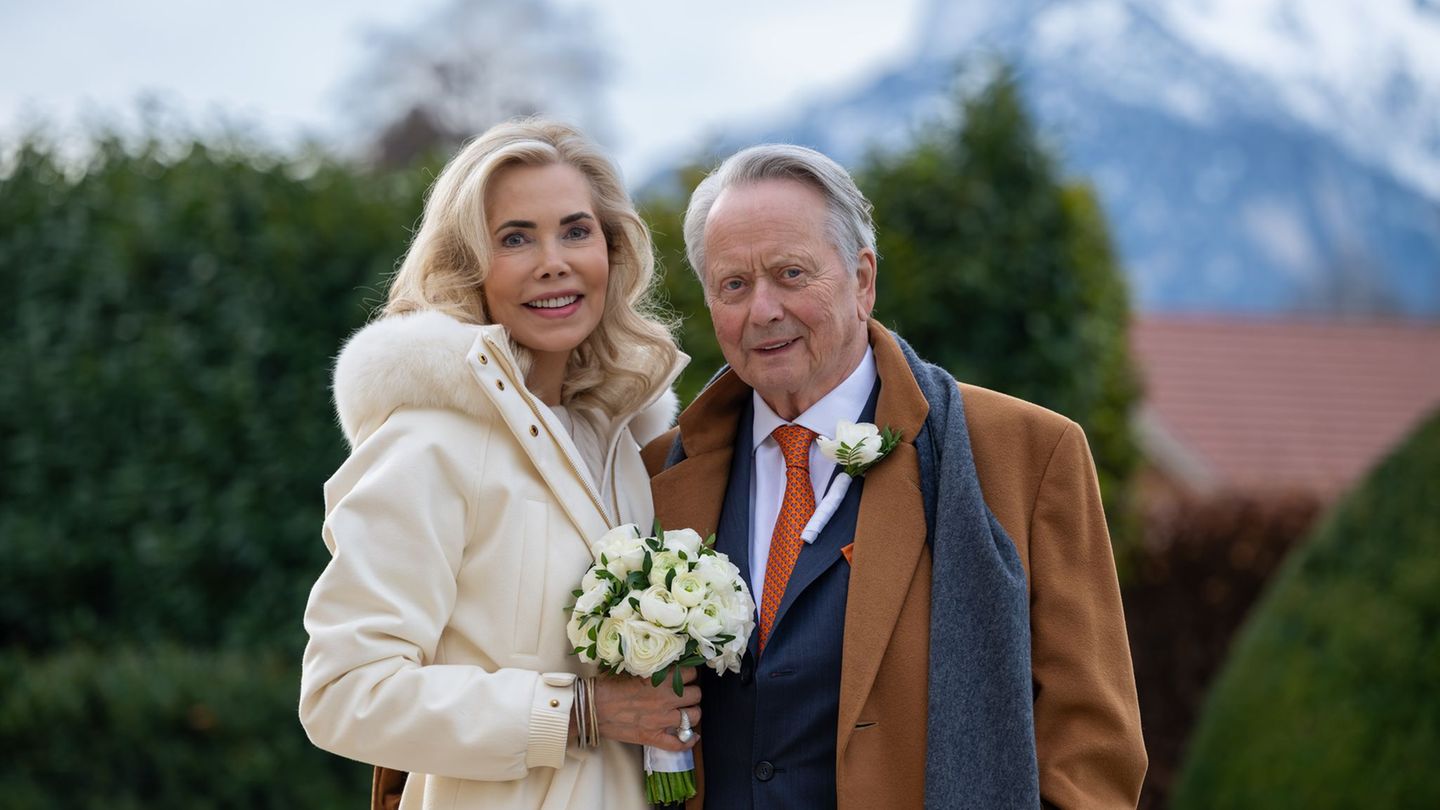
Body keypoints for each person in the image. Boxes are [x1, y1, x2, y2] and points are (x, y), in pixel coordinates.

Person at [640, 144, 1147, 809]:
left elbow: (1092, 749)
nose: (762, 310)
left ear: (863, 280)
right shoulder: (658, 474)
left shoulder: (1028, 456)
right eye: (734, 285)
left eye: (791, 274)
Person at [299, 118, 697, 810]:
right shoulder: (427, 441)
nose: (554, 261)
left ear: (611, 249)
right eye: (516, 238)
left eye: (576, 231)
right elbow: (344, 692)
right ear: (467, 266)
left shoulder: (619, 444)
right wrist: (577, 712)